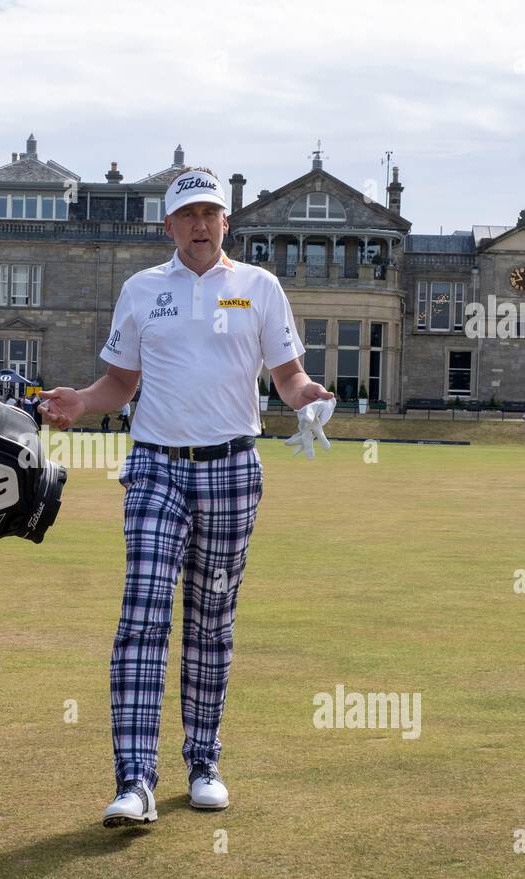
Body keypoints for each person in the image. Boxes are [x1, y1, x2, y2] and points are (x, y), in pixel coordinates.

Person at [39, 167, 331, 827]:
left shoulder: (260, 288)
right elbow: (118, 382)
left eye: (211, 213)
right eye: (188, 214)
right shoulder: (142, 290)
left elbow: (288, 377)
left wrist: (307, 395)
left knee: (211, 620)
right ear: (168, 225)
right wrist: (81, 402)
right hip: (155, 467)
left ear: (226, 222)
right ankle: (135, 781)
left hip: (232, 468)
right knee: (142, 614)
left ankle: (203, 762)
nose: (201, 225)